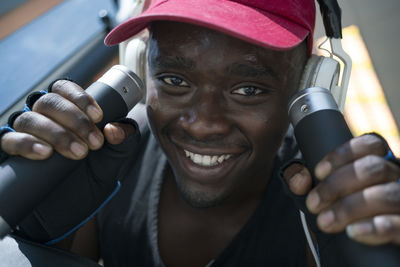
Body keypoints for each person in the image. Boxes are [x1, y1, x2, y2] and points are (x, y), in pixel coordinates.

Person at [0, 0, 399, 266]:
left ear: (307, 86)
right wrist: (35, 234)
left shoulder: (334, 204)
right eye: (174, 79)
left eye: (248, 89)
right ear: (140, 68)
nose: (205, 123)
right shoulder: (103, 161)